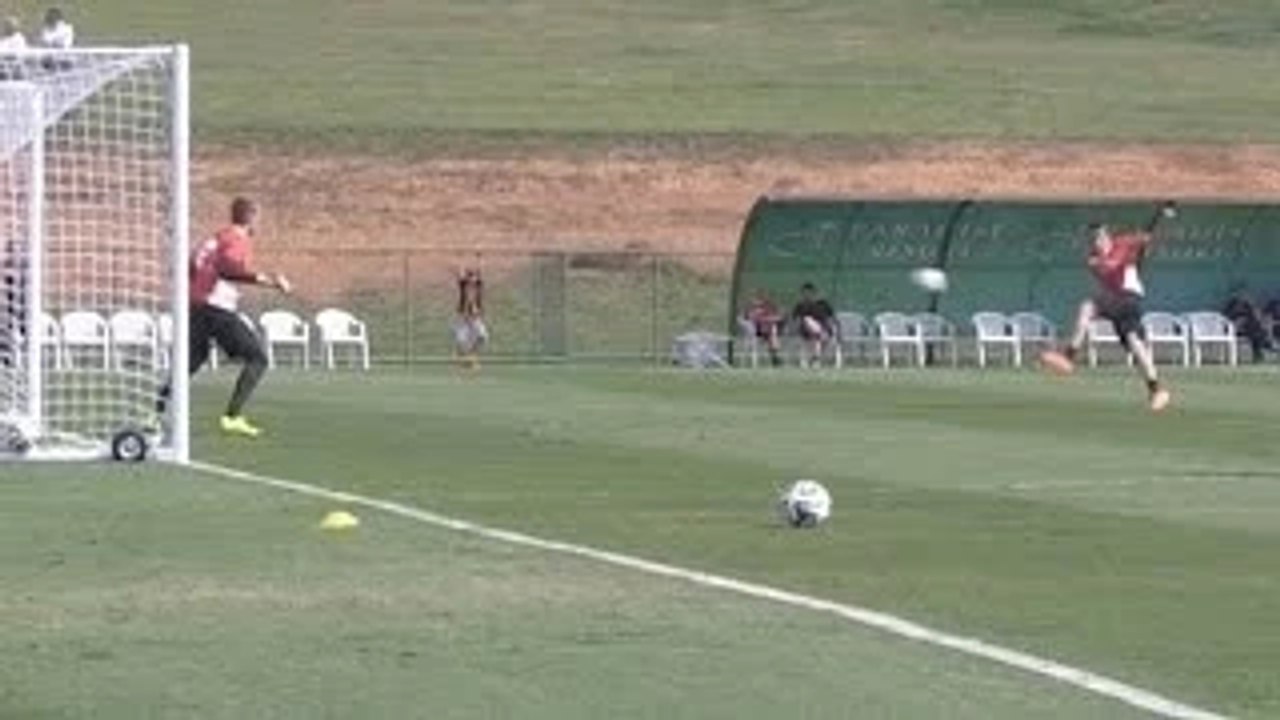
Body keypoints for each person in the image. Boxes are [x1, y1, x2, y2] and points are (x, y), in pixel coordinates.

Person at [157, 198, 291, 438]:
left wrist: (197, 289)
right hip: (216, 309)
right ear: (250, 217)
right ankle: (232, 417)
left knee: (191, 362)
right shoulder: (237, 239)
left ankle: (154, 413)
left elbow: (192, 263)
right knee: (257, 359)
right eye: (258, 217)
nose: (259, 223)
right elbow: (229, 269)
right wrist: (270, 281)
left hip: (197, 306)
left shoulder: (216, 238)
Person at [1040, 201, 1177, 411]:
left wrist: (1160, 214)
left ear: (1108, 236)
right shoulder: (1094, 260)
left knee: (1090, 308)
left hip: (1129, 298)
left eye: (1099, 237)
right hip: (1118, 301)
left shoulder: (1123, 243)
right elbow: (1109, 270)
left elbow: (1147, 235)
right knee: (1134, 343)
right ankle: (1157, 390)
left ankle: (1069, 357)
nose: (1096, 241)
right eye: (1093, 238)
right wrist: (1131, 258)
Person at [790, 282, 836, 367]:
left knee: (819, 339)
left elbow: (831, 317)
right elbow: (794, 319)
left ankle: (815, 359)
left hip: (823, 329)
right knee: (808, 319)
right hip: (806, 330)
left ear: (814, 292)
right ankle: (815, 358)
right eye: (805, 292)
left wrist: (832, 327)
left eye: (809, 292)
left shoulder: (823, 304)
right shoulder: (801, 305)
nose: (807, 295)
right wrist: (795, 328)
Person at [1223, 290, 1273, 363]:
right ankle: (1265, 346)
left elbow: (1257, 319)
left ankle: (1261, 350)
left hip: (1248, 332)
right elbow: (1229, 324)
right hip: (1232, 332)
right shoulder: (1233, 313)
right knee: (1255, 335)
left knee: (1256, 336)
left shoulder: (1250, 313)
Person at [453, 266, 487, 369]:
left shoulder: (478, 286)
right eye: (469, 277)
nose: (471, 280)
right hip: (463, 317)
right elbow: (459, 274)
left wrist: (479, 259)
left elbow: (481, 273)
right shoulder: (463, 286)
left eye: (473, 277)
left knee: (482, 336)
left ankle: (472, 358)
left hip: (475, 317)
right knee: (461, 340)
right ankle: (461, 360)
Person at [743, 289, 784, 367]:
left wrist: (768, 319)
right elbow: (748, 317)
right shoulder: (752, 307)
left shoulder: (769, 306)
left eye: (762, 297)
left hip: (767, 330)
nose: (760, 299)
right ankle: (775, 357)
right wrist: (759, 319)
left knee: (773, 330)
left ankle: (774, 357)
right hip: (756, 331)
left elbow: (779, 317)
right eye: (758, 297)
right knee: (771, 331)